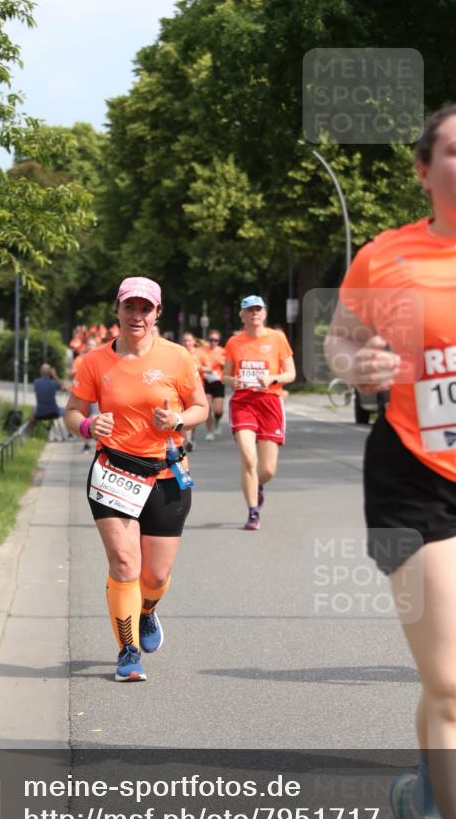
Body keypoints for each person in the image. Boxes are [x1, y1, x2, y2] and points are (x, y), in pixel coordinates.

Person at [325, 103, 456, 819]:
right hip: (412, 481)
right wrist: (356, 364)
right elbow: (339, 340)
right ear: (425, 171)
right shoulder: (387, 255)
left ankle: (424, 805)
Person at [64, 276, 208, 681]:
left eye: (146, 309)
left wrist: (179, 418)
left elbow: (201, 408)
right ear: (118, 310)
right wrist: (89, 425)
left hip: (166, 475)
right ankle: (127, 652)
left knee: (155, 576)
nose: (137, 316)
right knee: (125, 563)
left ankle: (146, 611)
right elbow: (73, 411)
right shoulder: (94, 361)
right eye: (130, 307)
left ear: (157, 313)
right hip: (114, 472)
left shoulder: (178, 357)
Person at [223, 295, 296, 530]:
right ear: (242, 315)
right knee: (248, 459)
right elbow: (225, 375)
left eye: (258, 310)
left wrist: (272, 378)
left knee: (267, 469)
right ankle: (253, 512)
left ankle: (258, 485)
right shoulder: (234, 342)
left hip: (269, 402)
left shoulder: (277, 338)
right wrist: (232, 380)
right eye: (249, 310)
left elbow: (291, 373)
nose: (254, 314)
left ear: (264, 313)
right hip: (243, 403)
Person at [199, 329, 226, 440]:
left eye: (216, 340)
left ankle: (217, 421)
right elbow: (197, 363)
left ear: (218, 341)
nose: (213, 342)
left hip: (218, 381)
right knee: (208, 407)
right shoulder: (202, 351)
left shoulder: (222, 351)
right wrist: (204, 368)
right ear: (208, 340)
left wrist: (222, 363)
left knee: (218, 410)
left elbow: (228, 365)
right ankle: (210, 431)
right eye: (211, 340)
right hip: (206, 381)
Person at [28, 363, 65, 440]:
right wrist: (55, 376)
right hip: (54, 412)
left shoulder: (36, 382)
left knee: (32, 411)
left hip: (40, 413)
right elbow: (63, 387)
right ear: (50, 372)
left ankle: (29, 433)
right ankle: (69, 433)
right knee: (67, 410)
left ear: (40, 372)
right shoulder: (53, 383)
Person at [181, 332, 204, 451]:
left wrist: (200, 367)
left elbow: (209, 367)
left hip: (198, 389)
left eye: (189, 340)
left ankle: (190, 437)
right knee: (185, 412)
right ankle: (188, 441)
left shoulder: (199, 353)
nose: (187, 343)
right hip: (183, 388)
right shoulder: (179, 353)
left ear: (193, 341)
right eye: (184, 341)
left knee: (194, 415)